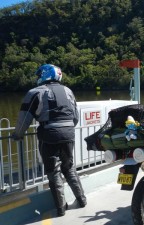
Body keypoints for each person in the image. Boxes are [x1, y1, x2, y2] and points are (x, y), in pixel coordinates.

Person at [13, 64, 86, 216]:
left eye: (39, 74)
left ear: (45, 75)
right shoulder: (68, 91)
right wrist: (66, 129)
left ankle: (61, 208)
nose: (37, 77)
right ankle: (82, 199)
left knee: (53, 172)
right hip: (68, 134)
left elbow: (24, 118)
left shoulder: (35, 92)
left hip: (49, 134)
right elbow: (75, 117)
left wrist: (18, 134)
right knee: (69, 167)